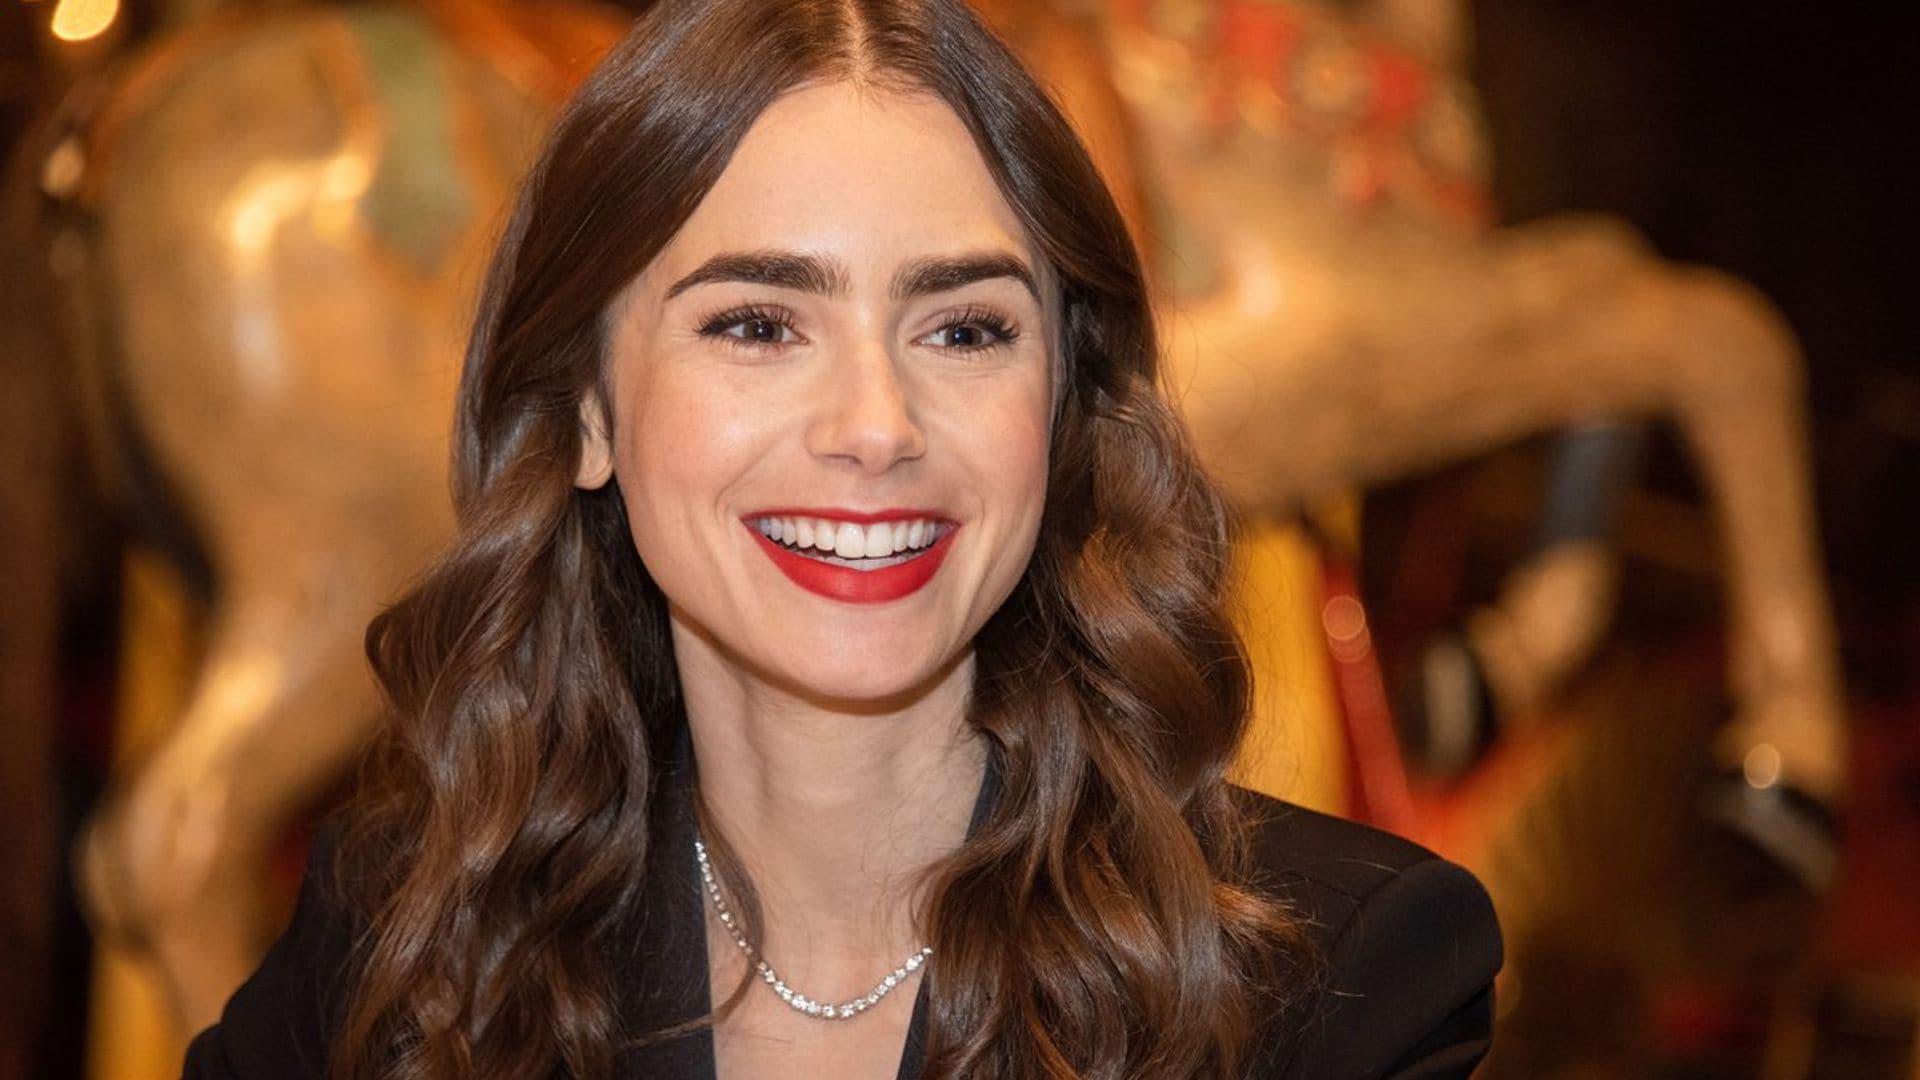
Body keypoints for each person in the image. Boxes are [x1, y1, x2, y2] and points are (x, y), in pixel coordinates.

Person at [183, 0, 1500, 1076]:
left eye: (965, 329)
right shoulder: (402, 941)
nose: (877, 426)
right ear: (587, 408)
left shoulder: (1340, 982)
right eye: (757, 325)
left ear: (1061, 407)